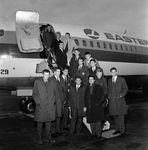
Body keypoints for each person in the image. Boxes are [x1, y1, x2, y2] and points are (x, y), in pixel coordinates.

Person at [33, 69, 57, 144]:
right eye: (45, 75)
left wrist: (53, 101)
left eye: (48, 75)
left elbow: (55, 93)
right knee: (40, 124)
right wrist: (38, 102)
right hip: (41, 106)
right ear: (42, 75)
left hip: (49, 106)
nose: (46, 76)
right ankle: (39, 138)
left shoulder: (52, 82)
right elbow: (35, 94)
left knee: (48, 124)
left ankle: (48, 138)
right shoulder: (37, 82)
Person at [107, 67, 128, 137]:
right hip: (112, 102)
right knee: (114, 116)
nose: (113, 73)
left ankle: (122, 131)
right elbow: (108, 89)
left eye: (114, 72)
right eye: (112, 72)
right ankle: (118, 129)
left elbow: (125, 88)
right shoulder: (110, 80)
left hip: (119, 101)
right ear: (111, 73)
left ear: (116, 72)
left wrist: (121, 95)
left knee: (121, 116)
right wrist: (109, 95)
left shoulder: (121, 80)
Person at [84, 75, 105, 139]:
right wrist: (85, 106)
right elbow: (85, 98)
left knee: (98, 121)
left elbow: (102, 97)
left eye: (92, 79)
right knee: (91, 121)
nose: (90, 80)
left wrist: (97, 104)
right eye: (89, 79)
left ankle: (98, 134)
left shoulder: (98, 87)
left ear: (94, 80)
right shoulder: (87, 88)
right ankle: (93, 133)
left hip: (96, 107)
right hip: (89, 107)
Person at [51, 68, 65, 135]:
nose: (59, 72)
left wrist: (64, 99)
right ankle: (52, 131)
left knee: (59, 115)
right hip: (54, 101)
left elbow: (63, 89)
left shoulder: (61, 79)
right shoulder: (51, 79)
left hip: (61, 100)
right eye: (57, 71)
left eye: (60, 71)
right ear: (54, 72)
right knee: (53, 116)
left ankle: (58, 130)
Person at [60, 67, 71, 132]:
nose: (66, 72)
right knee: (59, 114)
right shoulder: (59, 79)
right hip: (60, 99)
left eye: (67, 71)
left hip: (67, 99)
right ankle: (58, 127)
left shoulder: (69, 79)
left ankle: (65, 126)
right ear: (62, 71)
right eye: (65, 71)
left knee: (66, 114)